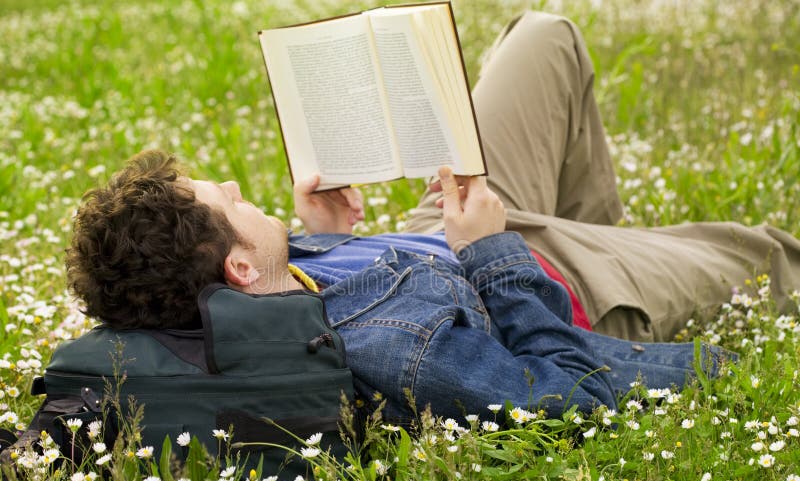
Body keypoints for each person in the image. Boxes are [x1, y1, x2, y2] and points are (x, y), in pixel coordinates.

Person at [66, 12, 799, 424]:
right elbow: (573, 396)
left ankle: (613, 240)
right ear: (237, 267)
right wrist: (494, 253)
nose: (232, 181)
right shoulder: (394, 354)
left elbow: (352, 284)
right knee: (768, 251)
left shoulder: (261, 287)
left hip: (441, 226)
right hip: (542, 278)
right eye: (225, 200)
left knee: (545, 36)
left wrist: (334, 237)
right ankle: (616, 260)